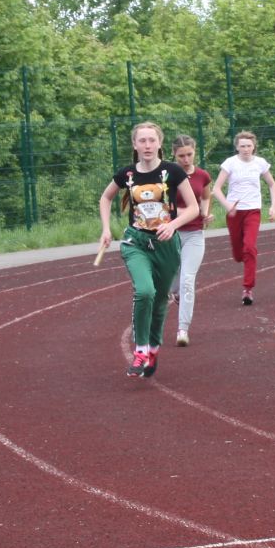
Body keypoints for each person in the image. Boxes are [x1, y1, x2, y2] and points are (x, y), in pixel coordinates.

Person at [97, 122, 201, 378]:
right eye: (141, 141)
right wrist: (106, 229)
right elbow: (106, 197)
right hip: (136, 242)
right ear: (134, 144)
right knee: (145, 291)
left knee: (159, 300)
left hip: (166, 245)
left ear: (159, 144)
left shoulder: (173, 171)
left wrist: (173, 225)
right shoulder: (127, 174)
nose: (146, 145)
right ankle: (141, 349)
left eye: (151, 140)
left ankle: (153, 348)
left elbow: (193, 208)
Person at [213, 131, 275, 306]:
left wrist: (273, 207)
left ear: (254, 146)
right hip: (234, 212)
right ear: (237, 147)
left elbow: (272, 185)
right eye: (242, 146)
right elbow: (216, 188)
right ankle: (243, 256)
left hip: (253, 210)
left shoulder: (260, 163)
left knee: (249, 247)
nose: (245, 149)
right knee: (238, 254)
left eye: (249, 146)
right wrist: (228, 205)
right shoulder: (230, 163)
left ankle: (248, 289)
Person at [168, 136, 212, 347]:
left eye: (189, 154)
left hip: (194, 234)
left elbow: (205, 198)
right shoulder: (166, 175)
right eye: (181, 156)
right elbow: (163, 207)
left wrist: (206, 214)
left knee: (187, 280)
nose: (186, 159)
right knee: (172, 282)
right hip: (170, 234)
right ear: (174, 155)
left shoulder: (202, 175)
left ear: (195, 152)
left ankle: (182, 329)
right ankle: (173, 291)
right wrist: (187, 211)